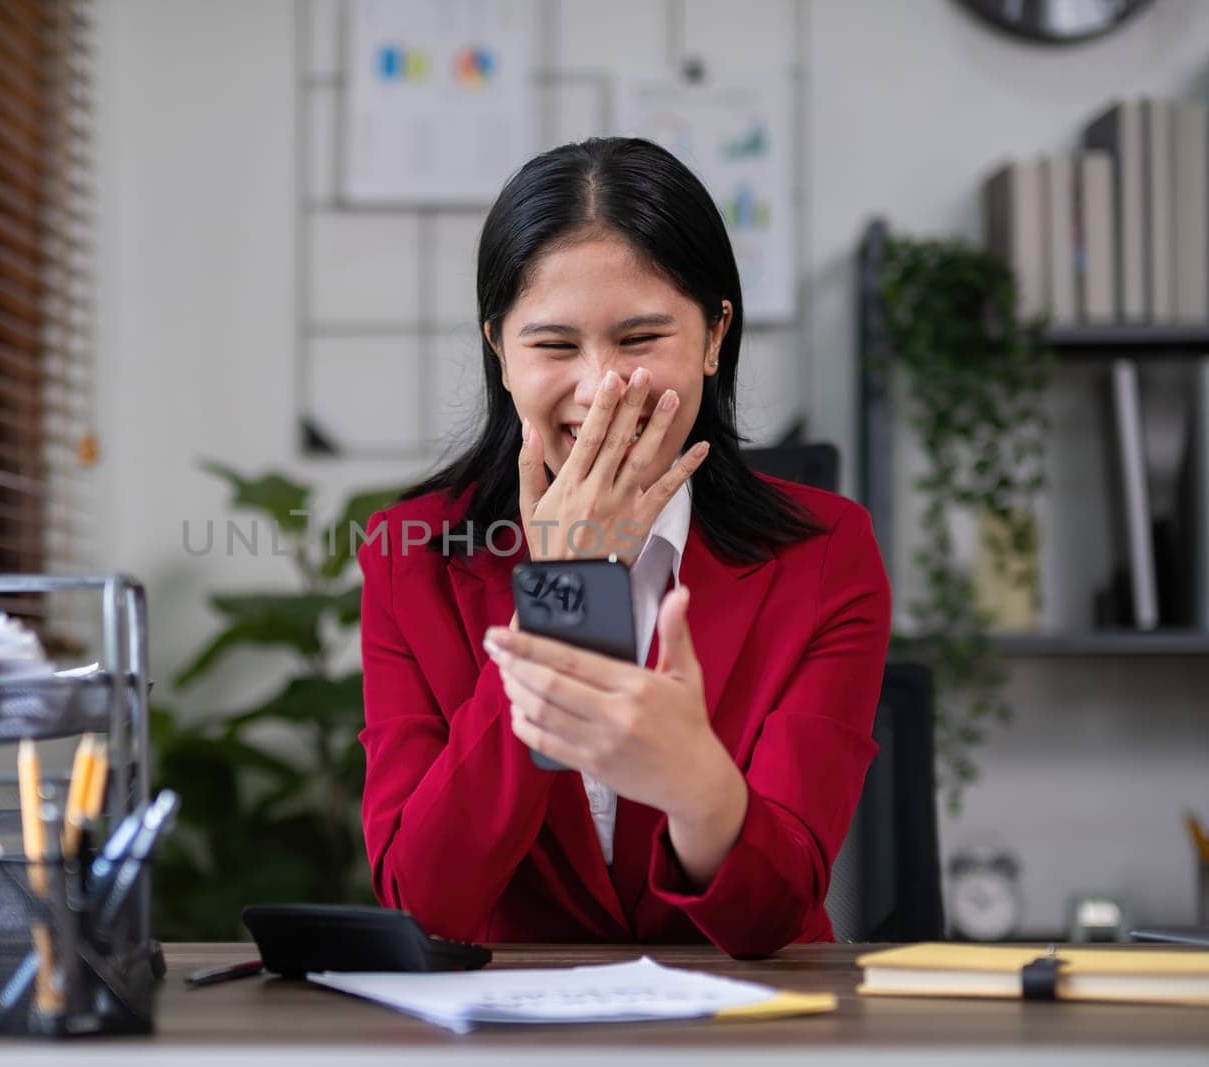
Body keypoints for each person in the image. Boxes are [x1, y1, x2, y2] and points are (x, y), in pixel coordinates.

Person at [355, 137, 891, 957]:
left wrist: (698, 786)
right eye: (554, 345)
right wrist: (564, 592)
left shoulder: (827, 554)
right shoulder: (411, 557)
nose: (603, 386)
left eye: (640, 339)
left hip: (745, 1023)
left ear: (715, 337)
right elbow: (424, 903)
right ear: (499, 350)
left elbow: (774, 918)